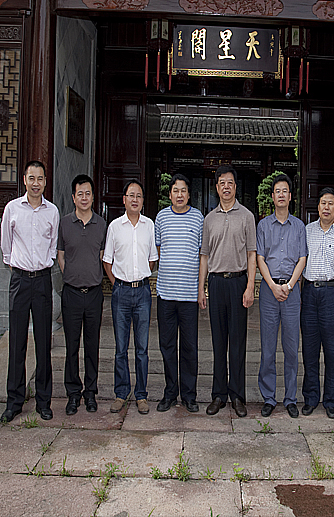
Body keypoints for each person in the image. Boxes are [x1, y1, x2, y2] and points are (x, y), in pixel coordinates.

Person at [0, 160, 59, 423]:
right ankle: (14, 401)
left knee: (44, 342)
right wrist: (17, 266)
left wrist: (43, 265)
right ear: (24, 180)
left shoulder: (52, 211)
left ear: (45, 181)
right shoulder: (12, 209)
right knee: (17, 342)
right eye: (31, 178)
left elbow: (53, 245)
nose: (36, 183)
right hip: (20, 281)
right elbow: (6, 246)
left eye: (40, 178)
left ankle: (44, 401)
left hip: (43, 280)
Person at [198, 165, 257, 418]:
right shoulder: (209, 219)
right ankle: (219, 395)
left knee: (238, 342)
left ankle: (237, 396)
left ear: (235, 186)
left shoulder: (247, 216)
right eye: (222, 183)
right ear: (216, 187)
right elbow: (204, 256)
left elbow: (252, 254)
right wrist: (201, 288)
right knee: (218, 341)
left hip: (238, 283)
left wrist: (250, 286)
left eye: (230, 183)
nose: (226, 187)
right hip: (216, 283)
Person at [103, 179, 158, 415]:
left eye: (139, 196)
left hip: (143, 292)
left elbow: (152, 259)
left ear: (143, 201)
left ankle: (141, 394)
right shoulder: (115, 227)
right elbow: (107, 261)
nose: (135, 199)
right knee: (120, 348)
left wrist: (138, 279)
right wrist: (118, 284)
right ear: (124, 199)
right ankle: (121, 393)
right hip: (121, 293)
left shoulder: (149, 225)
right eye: (131, 195)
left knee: (142, 348)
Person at [256, 173, 307, 419]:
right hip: (269, 290)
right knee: (268, 348)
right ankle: (268, 397)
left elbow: (302, 258)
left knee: (291, 347)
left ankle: (290, 398)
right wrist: (273, 286)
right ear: (272, 196)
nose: (281, 195)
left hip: (291, 291)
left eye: (285, 191)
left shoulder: (299, 226)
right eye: (277, 191)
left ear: (290, 196)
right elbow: (260, 258)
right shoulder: (263, 225)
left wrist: (289, 285)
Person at [301, 187, 334, 419]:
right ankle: (311, 398)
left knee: (332, 350)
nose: (326, 207)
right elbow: (300, 262)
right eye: (323, 203)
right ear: (318, 206)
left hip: (332, 294)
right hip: (309, 293)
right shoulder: (307, 231)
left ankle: (331, 400)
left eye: (330, 203)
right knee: (310, 349)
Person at [57, 174, 107, 416]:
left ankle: (90, 392)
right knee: (71, 345)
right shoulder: (65, 223)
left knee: (92, 345)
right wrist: (73, 277)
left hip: (94, 293)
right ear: (73, 197)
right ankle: (73, 393)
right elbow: (61, 256)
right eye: (80, 194)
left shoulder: (102, 224)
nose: (84, 198)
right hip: (72, 294)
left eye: (88, 193)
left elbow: (103, 257)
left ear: (93, 197)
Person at [154, 173, 204, 413]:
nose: (180, 194)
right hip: (165, 294)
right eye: (176, 190)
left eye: (183, 190)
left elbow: (202, 254)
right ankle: (170, 392)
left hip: (189, 296)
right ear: (170, 194)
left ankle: (189, 395)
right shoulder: (161, 217)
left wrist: (201, 289)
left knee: (189, 347)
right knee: (167, 346)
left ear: (189, 194)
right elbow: (158, 250)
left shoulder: (198, 218)